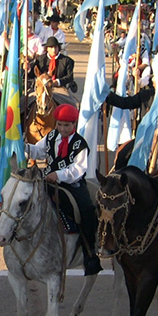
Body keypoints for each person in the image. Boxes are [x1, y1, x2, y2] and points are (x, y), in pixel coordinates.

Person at [26, 104, 102, 276]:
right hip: (48, 181)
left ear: (73, 124)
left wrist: (58, 175)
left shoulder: (80, 144)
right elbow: (38, 151)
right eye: (59, 124)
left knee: (87, 211)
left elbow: (78, 170)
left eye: (66, 125)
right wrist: (24, 146)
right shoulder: (52, 136)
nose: (62, 128)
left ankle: (90, 252)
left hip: (72, 184)